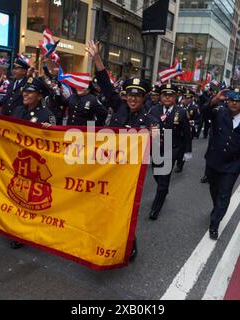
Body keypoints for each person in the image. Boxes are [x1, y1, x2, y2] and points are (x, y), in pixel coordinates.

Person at [87, 40, 159, 261]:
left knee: (123, 213)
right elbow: (106, 86)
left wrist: (155, 138)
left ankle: (128, 245)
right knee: (102, 207)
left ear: (144, 97)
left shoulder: (150, 120)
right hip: (108, 168)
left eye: (137, 95)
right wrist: (97, 58)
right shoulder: (118, 106)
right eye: (130, 95)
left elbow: (158, 151)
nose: (133, 98)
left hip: (129, 174)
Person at [205, 87, 240, 240]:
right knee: (214, 190)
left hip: (232, 165)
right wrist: (214, 101)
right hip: (213, 161)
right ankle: (217, 209)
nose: (234, 103)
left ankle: (214, 224)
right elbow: (205, 113)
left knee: (224, 194)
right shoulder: (218, 113)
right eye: (232, 100)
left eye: (238, 101)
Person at [9, 77, 56, 250]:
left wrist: (49, 132)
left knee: (28, 200)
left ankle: (22, 233)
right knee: (16, 196)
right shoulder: (18, 110)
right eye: (25, 91)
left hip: (34, 166)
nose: (26, 94)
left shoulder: (47, 115)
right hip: (17, 161)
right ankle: (16, 229)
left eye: (30, 91)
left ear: (39, 95)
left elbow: (52, 144)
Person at [149, 83, 192, 220]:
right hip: (156, 147)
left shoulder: (181, 112)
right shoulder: (154, 110)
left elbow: (187, 133)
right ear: (160, 96)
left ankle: (155, 208)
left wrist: (187, 151)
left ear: (175, 97)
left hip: (172, 148)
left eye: (170, 95)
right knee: (156, 173)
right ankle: (163, 189)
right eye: (164, 95)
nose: (167, 98)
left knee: (163, 179)